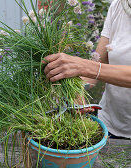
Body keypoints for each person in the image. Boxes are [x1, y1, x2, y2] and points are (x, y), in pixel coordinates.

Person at [43, 0, 131, 139]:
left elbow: (92, 68)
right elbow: (100, 60)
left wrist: (84, 67)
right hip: (109, 125)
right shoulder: (120, 5)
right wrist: (76, 89)